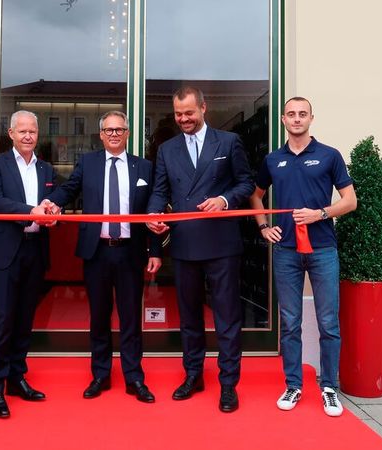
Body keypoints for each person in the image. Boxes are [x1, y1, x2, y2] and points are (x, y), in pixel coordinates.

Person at [146, 87, 254, 413]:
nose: (183, 120)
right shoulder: (167, 149)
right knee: (190, 318)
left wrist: (224, 200)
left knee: (226, 319)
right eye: (179, 114)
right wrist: (153, 216)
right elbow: (159, 191)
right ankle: (193, 374)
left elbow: (246, 183)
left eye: (189, 113)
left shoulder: (229, 142)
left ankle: (228, 384)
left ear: (203, 108)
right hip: (184, 244)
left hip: (222, 243)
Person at [249, 97, 357, 417]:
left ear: (311, 118)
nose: (297, 119)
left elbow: (349, 201)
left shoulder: (329, 155)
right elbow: (255, 196)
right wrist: (263, 227)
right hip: (286, 252)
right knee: (290, 322)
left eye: (303, 114)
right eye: (291, 114)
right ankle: (294, 385)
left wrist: (319, 214)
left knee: (328, 322)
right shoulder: (273, 159)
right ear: (283, 119)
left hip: (323, 249)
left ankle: (328, 388)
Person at [46, 111, 163, 403]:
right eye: (108, 130)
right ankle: (100, 374)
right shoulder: (88, 163)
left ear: (127, 134)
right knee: (99, 317)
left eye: (119, 129)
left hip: (130, 252)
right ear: (100, 134)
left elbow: (154, 209)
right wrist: (51, 203)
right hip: (96, 252)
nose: (113, 134)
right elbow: (69, 189)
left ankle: (134, 377)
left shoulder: (144, 167)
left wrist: (156, 250)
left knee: (131, 318)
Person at [0, 110, 57, 418]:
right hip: (4, 252)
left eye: (32, 132)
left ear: (38, 135)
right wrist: (31, 210)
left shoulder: (46, 168)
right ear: (10, 133)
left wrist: (50, 214)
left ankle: (15, 378)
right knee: (1, 321)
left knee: (24, 320)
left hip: (35, 252)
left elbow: (50, 206)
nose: (27, 136)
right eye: (21, 131)